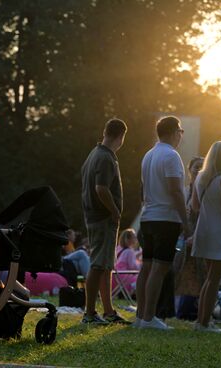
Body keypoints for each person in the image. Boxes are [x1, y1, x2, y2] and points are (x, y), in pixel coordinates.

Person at [135, 116, 187, 330]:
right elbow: (175, 191)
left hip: (147, 217)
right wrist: (186, 220)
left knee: (146, 268)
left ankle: (140, 317)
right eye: (180, 132)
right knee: (159, 268)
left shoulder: (148, 155)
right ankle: (149, 318)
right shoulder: (172, 156)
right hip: (165, 218)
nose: (181, 136)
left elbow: (142, 189)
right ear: (174, 132)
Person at [80, 118, 129, 325]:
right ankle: (89, 313)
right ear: (121, 136)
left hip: (95, 217)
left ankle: (108, 311)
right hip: (103, 218)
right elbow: (101, 189)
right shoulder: (106, 158)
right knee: (99, 264)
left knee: (106, 265)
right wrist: (115, 210)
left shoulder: (94, 154)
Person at [190, 140, 221, 333]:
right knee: (214, 280)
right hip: (218, 234)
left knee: (208, 280)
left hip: (203, 230)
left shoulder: (200, 178)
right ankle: (204, 323)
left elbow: (194, 207)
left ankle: (202, 321)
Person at [174, 156, 206, 320]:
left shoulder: (206, 191)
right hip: (182, 237)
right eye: (196, 166)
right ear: (189, 170)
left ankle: (196, 313)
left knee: (199, 273)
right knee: (179, 271)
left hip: (199, 237)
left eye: (202, 166)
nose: (199, 169)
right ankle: (178, 310)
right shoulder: (185, 190)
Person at [113, 229, 141, 295]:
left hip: (115, 278)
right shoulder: (129, 251)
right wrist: (141, 265)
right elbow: (133, 267)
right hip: (123, 279)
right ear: (129, 239)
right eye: (134, 237)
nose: (136, 239)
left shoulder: (118, 248)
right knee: (142, 277)